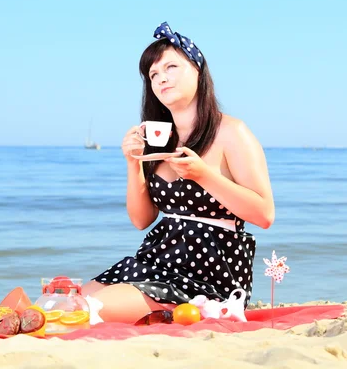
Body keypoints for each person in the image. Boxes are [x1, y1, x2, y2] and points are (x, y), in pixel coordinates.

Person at [82, 22, 275, 324]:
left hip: (211, 269)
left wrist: (203, 175)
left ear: (198, 70)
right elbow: (141, 219)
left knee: (93, 308)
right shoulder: (159, 140)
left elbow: (264, 214)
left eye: (171, 67)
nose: (161, 78)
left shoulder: (232, 132)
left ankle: (193, 310)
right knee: (75, 299)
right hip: (157, 258)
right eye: (153, 74)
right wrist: (133, 163)